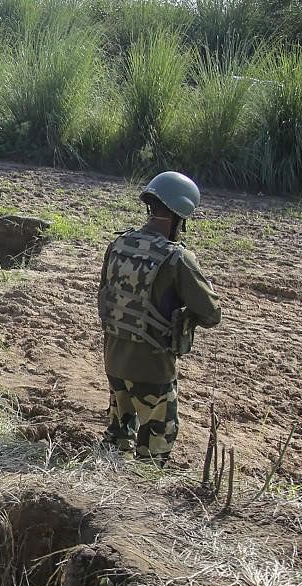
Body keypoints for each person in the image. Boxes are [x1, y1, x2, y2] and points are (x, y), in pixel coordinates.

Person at [98, 171, 222, 466]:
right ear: (180, 217)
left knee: (116, 440)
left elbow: (106, 296)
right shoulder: (177, 258)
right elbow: (211, 313)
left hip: (114, 360)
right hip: (153, 368)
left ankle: (106, 490)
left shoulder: (118, 245)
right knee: (153, 453)